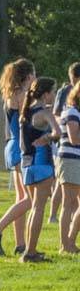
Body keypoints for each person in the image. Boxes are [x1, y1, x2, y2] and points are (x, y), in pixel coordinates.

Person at [0, 78, 60, 261]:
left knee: (33, 208)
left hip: (27, 165)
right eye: (54, 91)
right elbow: (58, 133)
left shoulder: (24, 113)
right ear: (46, 93)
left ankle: (27, 248)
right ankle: (30, 253)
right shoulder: (44, 112)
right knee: (39, 209)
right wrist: (48, 137)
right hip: (42, 164)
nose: (55, 95)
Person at [0, 59, 36, 255]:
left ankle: (20, 244)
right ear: (28, 76)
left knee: (21, 198)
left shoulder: (11, 93)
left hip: (11, 146)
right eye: (34, 73)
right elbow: (30, 121)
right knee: (31, 199)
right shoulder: (23, 94)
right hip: (20, 147)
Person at [48, 62, 79, 224]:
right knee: (63, 184)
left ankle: (73, 221)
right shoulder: (65, 91)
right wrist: (68, 123)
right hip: (65, 145)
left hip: (74, 147)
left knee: (69, 187)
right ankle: (53, 215)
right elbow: (56, 115)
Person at [56, 82, 80, 253]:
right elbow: (74, 138)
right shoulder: (71, 111)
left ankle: (70, 241)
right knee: (68, 203)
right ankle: (65, 245)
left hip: (76, 160)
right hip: (70, 160)